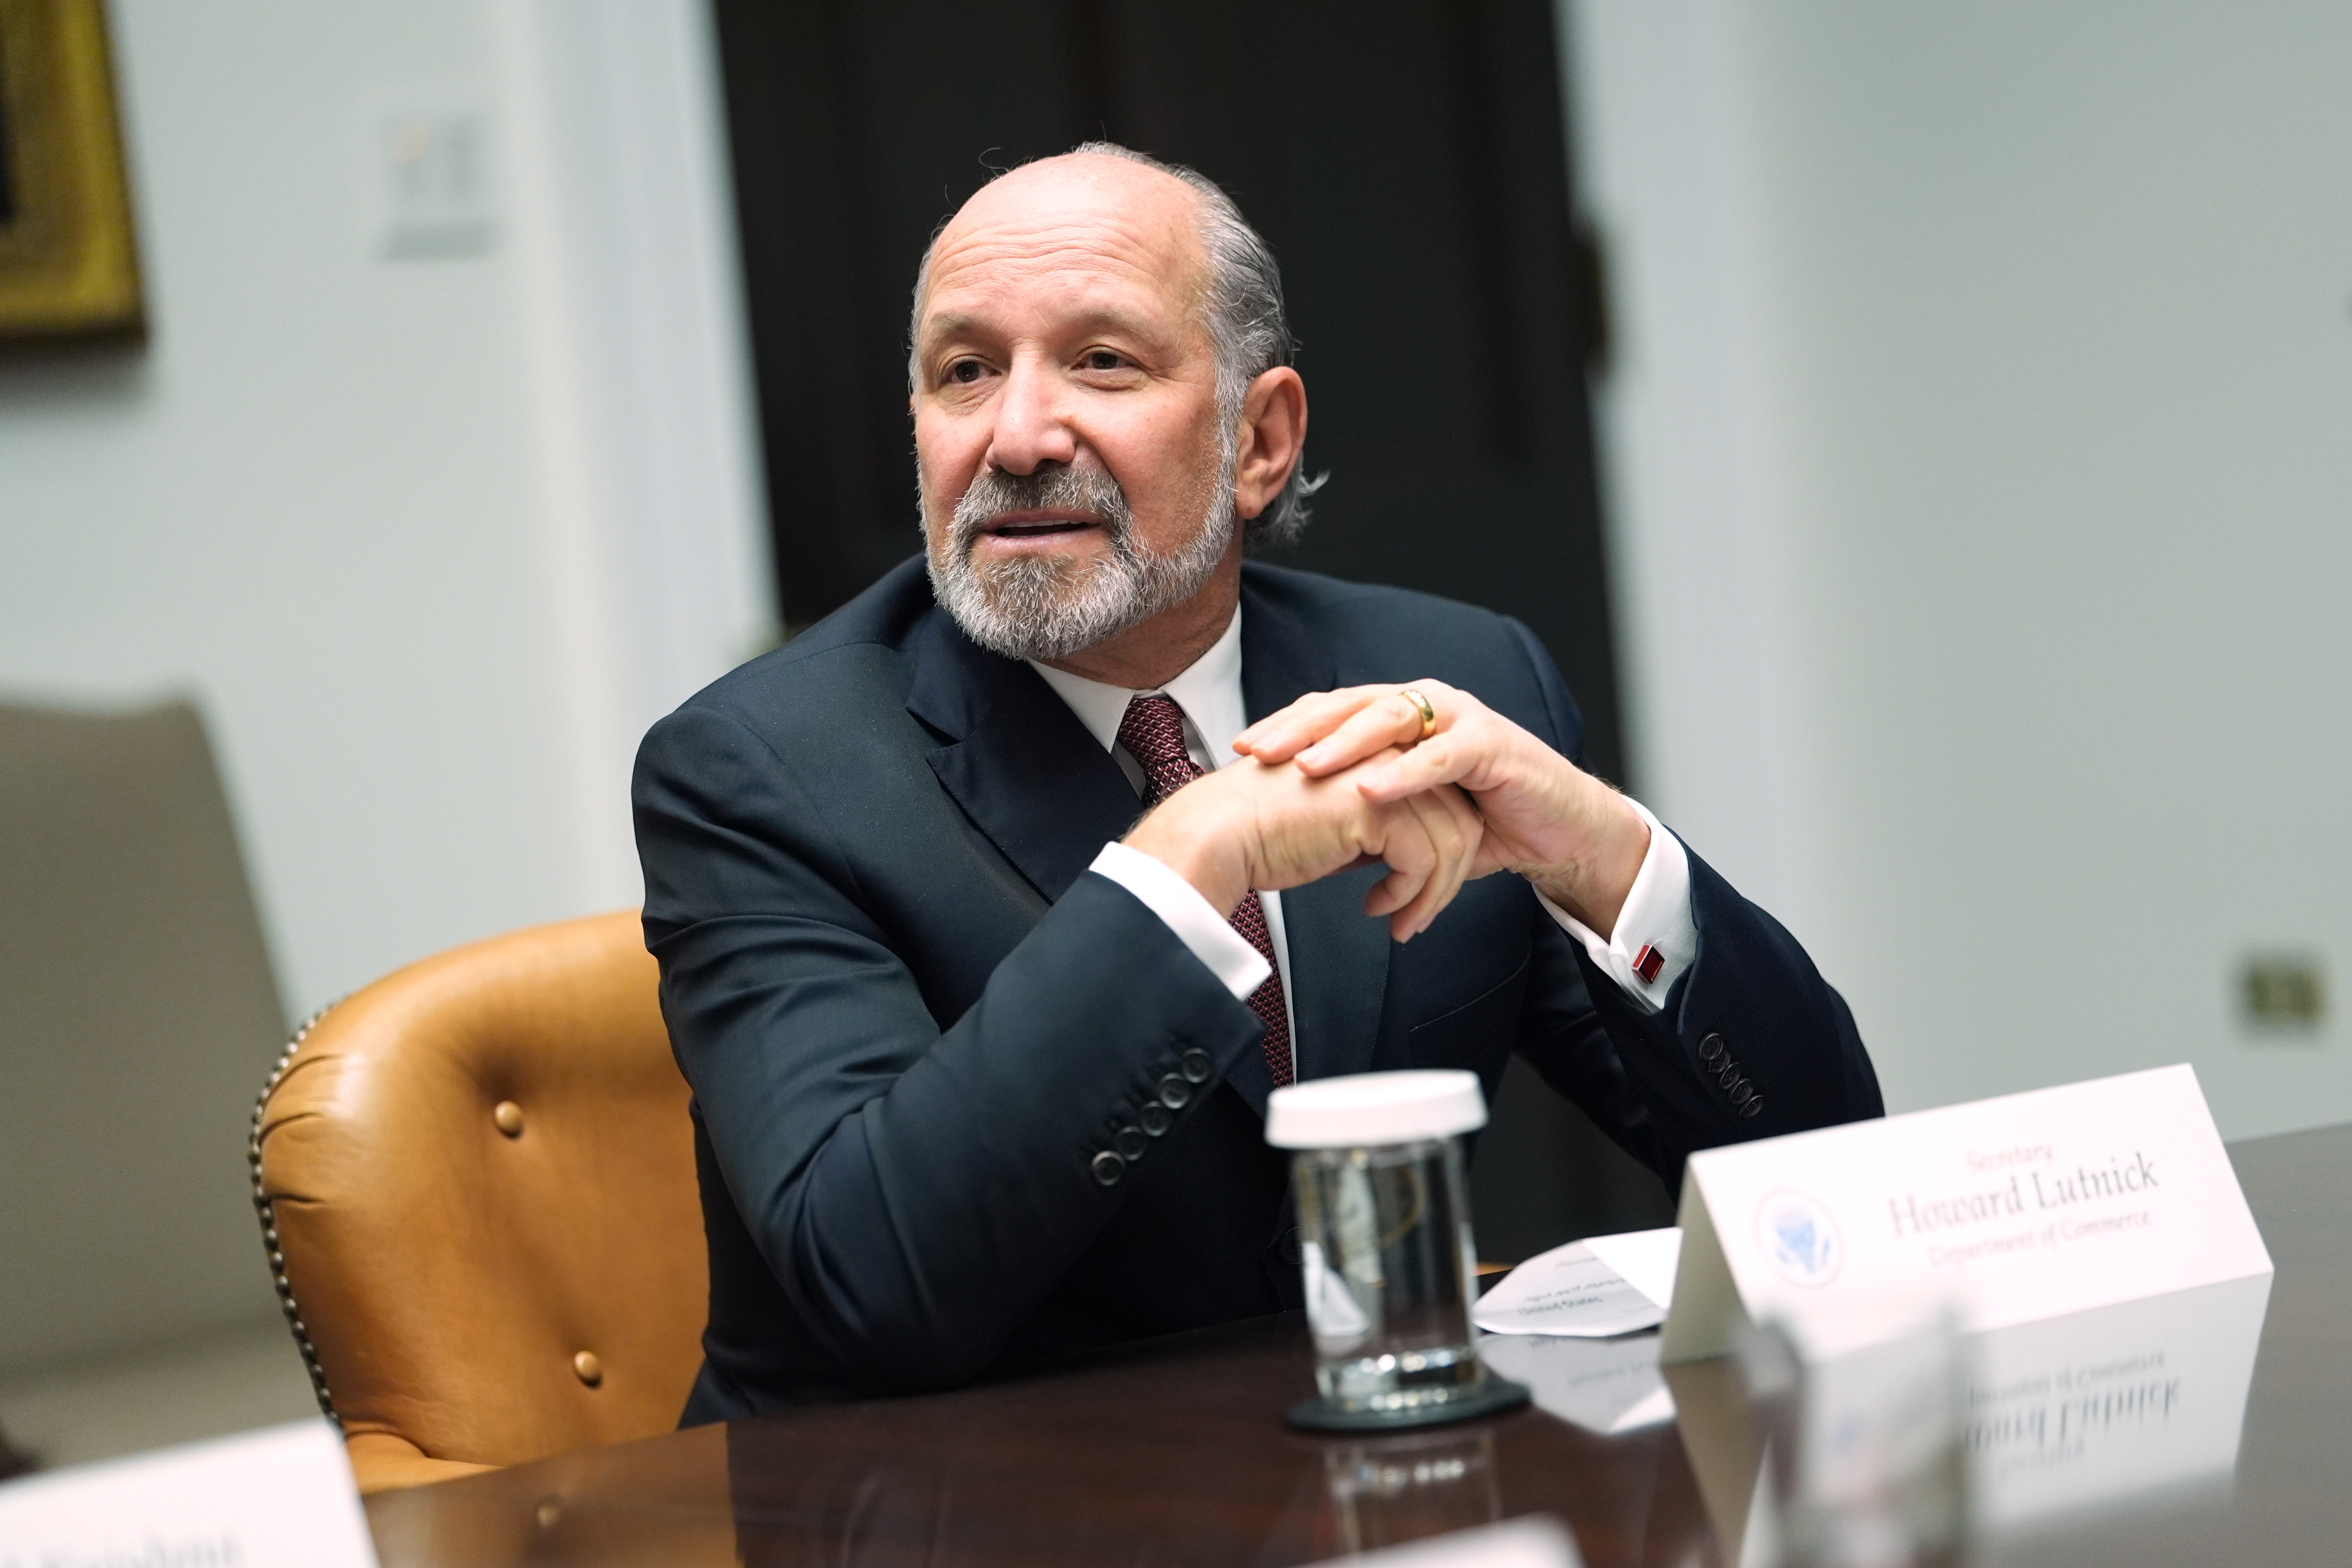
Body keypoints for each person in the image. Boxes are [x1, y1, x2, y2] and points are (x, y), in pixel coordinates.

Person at [634, 143, 1881, 1421]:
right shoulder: (762, 771)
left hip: (1362, 1479)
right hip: (917, 1509)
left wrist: (1613, 864)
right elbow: (876, 1287)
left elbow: (1821, 1178)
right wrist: (1190, 860)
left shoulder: (1446, 674)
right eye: (964, 372)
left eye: (1101, 361)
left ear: (1261, 438)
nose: (1013, 436)